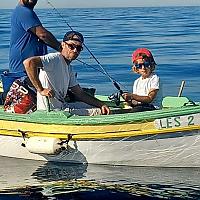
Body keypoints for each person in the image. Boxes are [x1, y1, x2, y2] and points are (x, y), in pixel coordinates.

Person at [23, 31, 110, 116]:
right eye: (71, 46)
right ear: (63, 45)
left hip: (63, 107)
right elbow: (29, 63)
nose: (75, 50)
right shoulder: (54, 59)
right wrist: (41, 89)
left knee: (98, 107)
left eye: (79, 48)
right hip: (52, 112)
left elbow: (79, 93)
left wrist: (101, 104)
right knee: (100, 112)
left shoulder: (69, 68)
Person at [9, 0, 61, 73]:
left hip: (31, 67)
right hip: (23, 69)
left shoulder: (21, 11)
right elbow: (43, 35)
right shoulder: (24, 12)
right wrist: (62, 48)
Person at [122, 48, 162, 112]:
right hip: (140, 107)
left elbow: (149, 99)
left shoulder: (154, 78)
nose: (143, 68)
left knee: (135, 110)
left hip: (153, 109)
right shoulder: (137, 82)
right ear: (136, 68)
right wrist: (129, 100)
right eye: (140, 66)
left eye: (146, 64)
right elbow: (136, 101)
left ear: (151, 65)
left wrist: (132, 96)